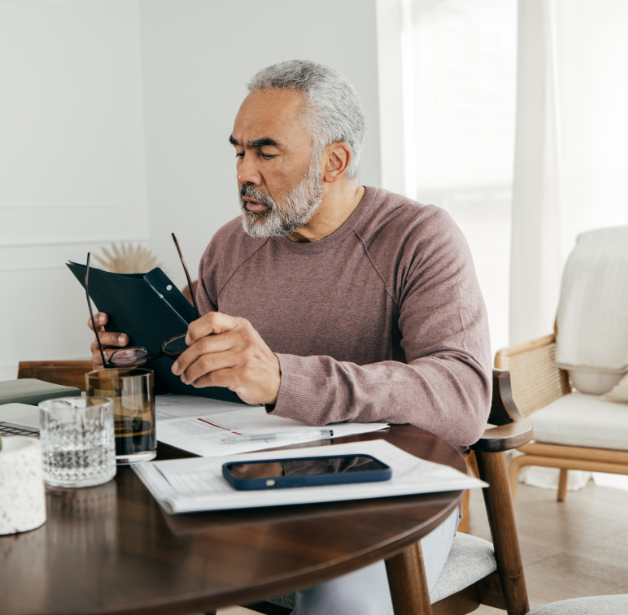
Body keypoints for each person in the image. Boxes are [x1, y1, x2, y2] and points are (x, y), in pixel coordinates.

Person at [88, 60, 491, 614]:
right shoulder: (231, 244)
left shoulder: (420, 237)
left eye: (265, 152)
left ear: (335, 160)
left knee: (341, 595)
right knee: (122, 551)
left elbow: (463, 398)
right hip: (249, 471)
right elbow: (191, 362)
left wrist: (284, 377)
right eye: (238, 151)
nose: (243, 173)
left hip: (387, 487)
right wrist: (133, 356)